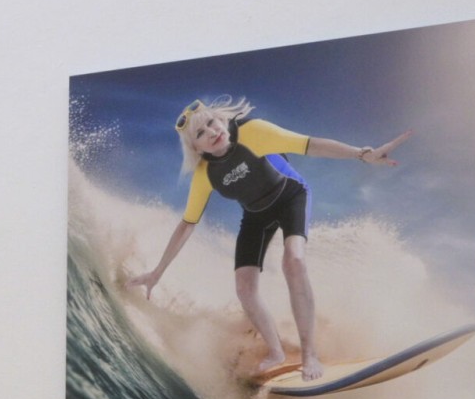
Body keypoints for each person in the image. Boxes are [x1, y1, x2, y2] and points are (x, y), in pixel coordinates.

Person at [127, 97, 408, 381]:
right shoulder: (205, 175)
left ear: (221, 119)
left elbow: (311, 145)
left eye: (211, 122)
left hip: (290, 197)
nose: (211, 132)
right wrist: (157, 272)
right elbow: (187, 224)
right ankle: (276, 352)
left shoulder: (254, 132)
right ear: (195, 148)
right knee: (244, 288)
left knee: (293, 261)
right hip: (255, 215)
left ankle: (309, 354)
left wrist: (362, 154)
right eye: (200, 133)